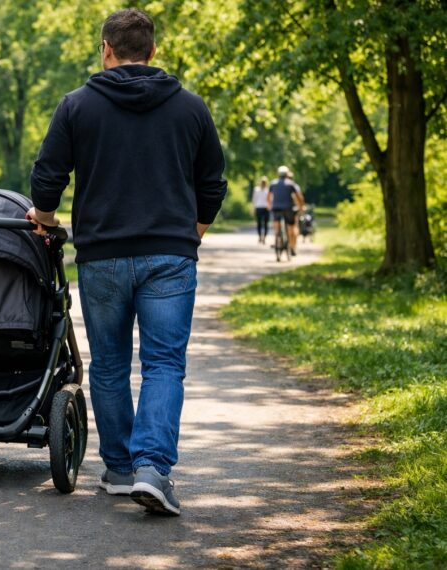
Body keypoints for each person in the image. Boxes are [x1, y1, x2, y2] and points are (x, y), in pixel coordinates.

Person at [28, 9, 226, 516]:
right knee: (163, 364)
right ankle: (153, 469)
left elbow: (47, 178)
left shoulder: (77, 106)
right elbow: (212, 184)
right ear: (153, 51)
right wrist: (191, 234)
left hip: (103, 257)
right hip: (170, 257)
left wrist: (45, 219)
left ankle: (118, 469)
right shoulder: (191, 108)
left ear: (106, 49)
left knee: (111, 364)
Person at [268, 165, 304, 255]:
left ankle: (277, 238)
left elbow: (268, 197)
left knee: (277, 226)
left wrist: (269, 205)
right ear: (287, 174)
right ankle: (291, 244)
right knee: (290, 227)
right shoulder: (291, 184)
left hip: (276, 207)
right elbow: (298, 197)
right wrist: (301, 206)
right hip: (288, 208)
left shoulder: (273, 183)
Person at [252, 176, 270, 244]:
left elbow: (270, 199)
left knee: (266, 223)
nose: (263, 183)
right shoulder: (256, 189)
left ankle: (264, 237)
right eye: (262, 182)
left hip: (266, 208)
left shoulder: (268, 190)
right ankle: (260, 236)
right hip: (258, 207)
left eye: (264, 182)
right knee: (259, 223)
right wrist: (253, 208)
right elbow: (254, 199)